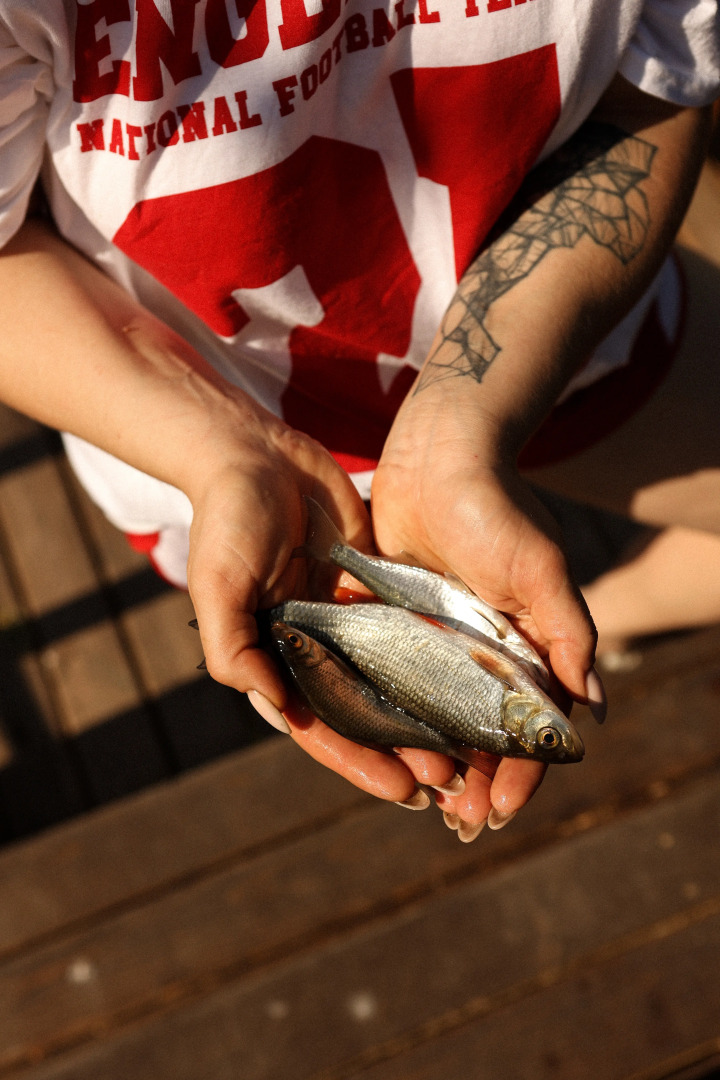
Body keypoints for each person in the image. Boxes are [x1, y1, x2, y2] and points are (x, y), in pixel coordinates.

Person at [0, 1, 717, 843]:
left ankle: (612, 613)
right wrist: (221, 458)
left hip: (555, 335)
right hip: (210, 410)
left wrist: (466, 414)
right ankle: (605, 620)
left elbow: (657, 76)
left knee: (568, 637)